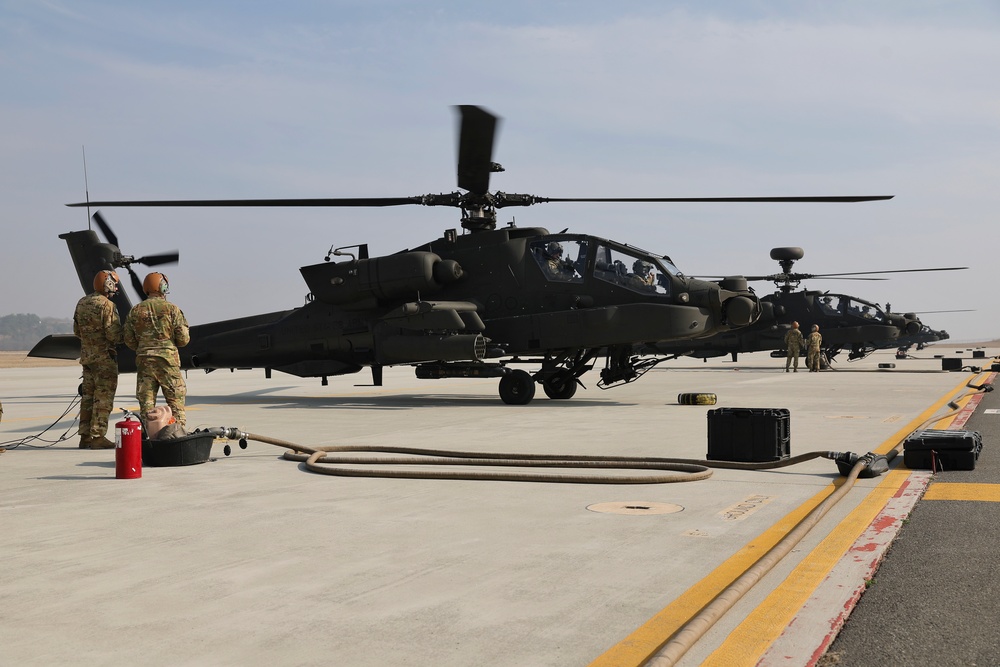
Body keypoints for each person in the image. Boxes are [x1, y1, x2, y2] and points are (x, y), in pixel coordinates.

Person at [124, 272, 191, 429]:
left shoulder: (135, 311)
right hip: (167, 361)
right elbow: (183, 339)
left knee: (147, 404)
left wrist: (144, 346)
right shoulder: (172, 309)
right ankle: (177, 433)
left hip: (144, 361)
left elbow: (128, 339)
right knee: (175, 401)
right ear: (163, 286)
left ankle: (148, 436)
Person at [73, 270, 123, 449]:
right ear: (108, 284)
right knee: (103, 398)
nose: (116, 287)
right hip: (104, 360)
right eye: (114, 284)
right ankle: (98, 436)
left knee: (87, 397)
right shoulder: (107, 305)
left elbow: (77, 331)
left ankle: (84, 436)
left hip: (87, 358)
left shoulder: (82, 303)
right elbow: (113, 334)